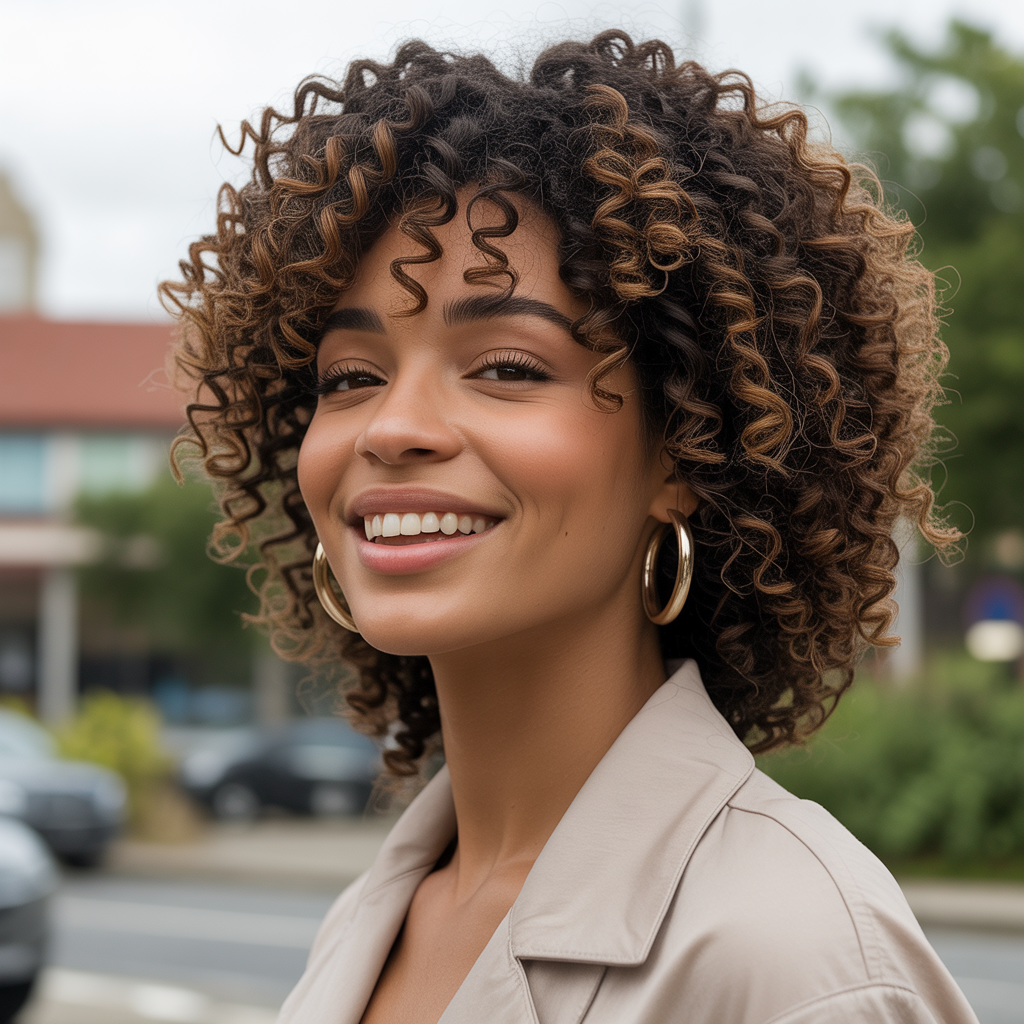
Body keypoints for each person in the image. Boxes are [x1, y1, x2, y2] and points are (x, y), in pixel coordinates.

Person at [162, 31, 978, 1024]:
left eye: (506, 366)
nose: (393, 428)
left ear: (683, 449)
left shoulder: (794, 960)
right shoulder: (367, 923)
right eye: (350, 377)